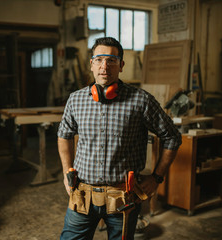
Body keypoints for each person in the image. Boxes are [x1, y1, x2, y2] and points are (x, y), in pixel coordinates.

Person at [57, 37, 182, 240]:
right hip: (82, 195)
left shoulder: (141, 101)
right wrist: (66, 171)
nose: (104, 66)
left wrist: (157, 177)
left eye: (111, 60)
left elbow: (172, 137)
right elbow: (64, 135)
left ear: (121, 65)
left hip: (123, 198)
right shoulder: (76, 99)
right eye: (99, 59)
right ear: (91, 64)